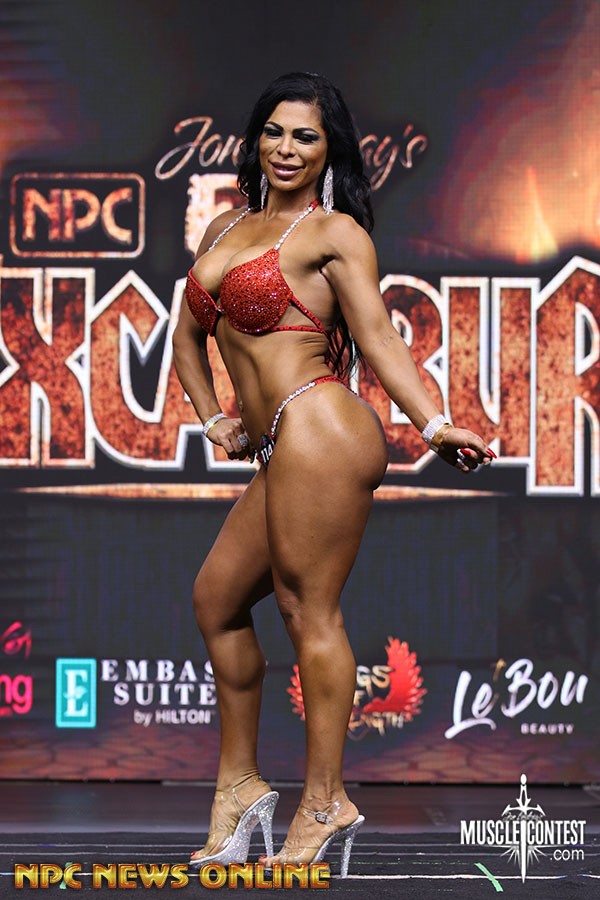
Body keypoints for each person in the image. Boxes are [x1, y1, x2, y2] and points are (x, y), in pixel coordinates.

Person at [172, 71, 494, 876]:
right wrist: (212, 416)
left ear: (329, 151)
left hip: (320, 424)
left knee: (306, 610)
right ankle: (240, 786)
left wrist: (433, 422)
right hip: (280, 440)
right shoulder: (224, 227)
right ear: (256, 139)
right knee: (217, 599)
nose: (286, 149)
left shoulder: (335, 233)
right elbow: (185, 335)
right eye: (274, 132)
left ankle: (325, 801)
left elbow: (377, 337)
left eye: (305, 137)